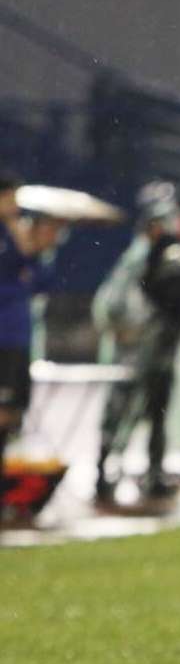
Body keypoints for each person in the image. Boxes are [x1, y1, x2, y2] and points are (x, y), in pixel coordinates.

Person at [92, 190, 180, 502]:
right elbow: (112, 308)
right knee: (120, 415)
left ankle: (154, 472)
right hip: (133, 356)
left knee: (157, 415)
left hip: (161, 352)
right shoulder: (137, 259)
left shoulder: (172, 256)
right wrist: (129, 331)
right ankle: (103, 473)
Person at [0, 172, 61, 482]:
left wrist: (32, 247)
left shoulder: (17, 236)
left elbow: (40, 283)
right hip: (4, 335)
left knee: (12, 410)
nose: (14, 206)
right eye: (9, 198)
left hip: (17, 337)